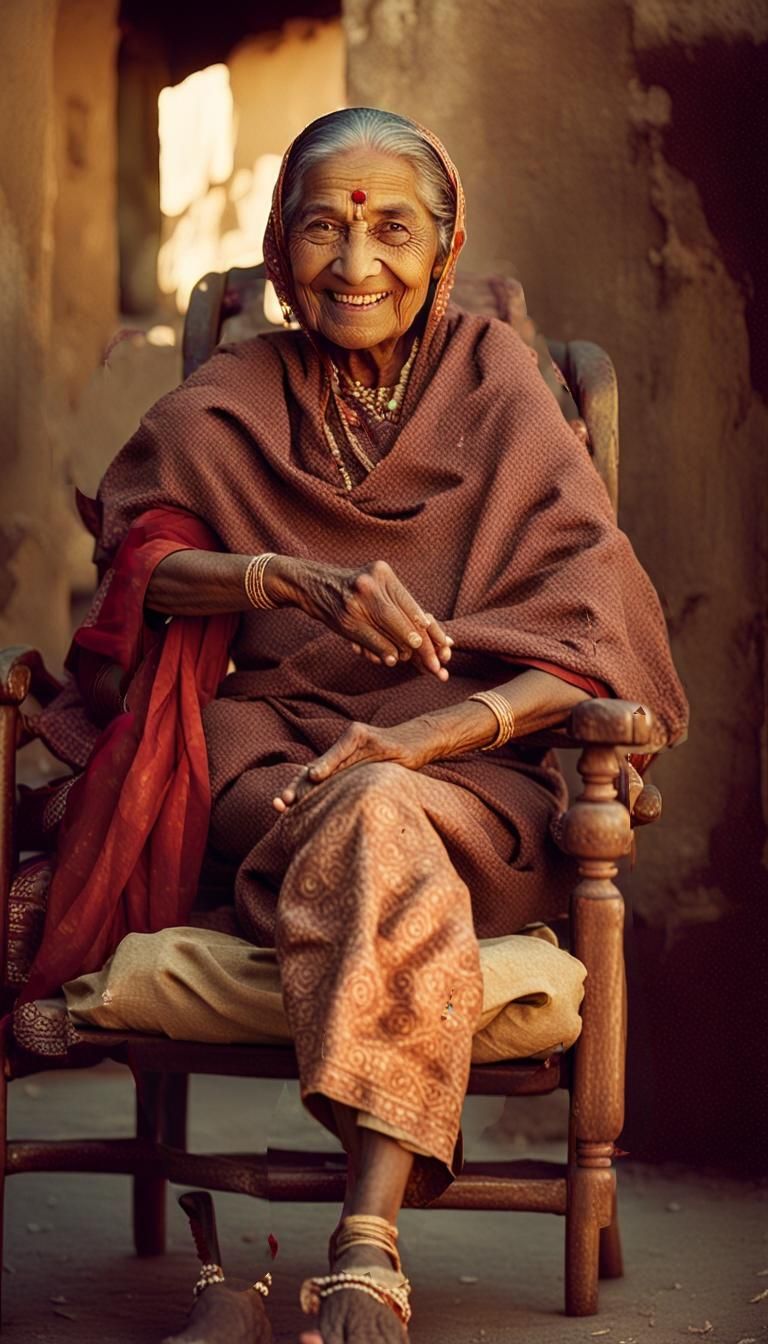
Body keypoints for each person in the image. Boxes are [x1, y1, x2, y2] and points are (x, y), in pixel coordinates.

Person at [16, 109, 687, 1342]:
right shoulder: (231, 397)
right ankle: (368, 1251)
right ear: (281, 248)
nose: (356, 262)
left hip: (474, 774)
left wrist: (424, 740)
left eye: (393, 230)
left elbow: (597, 631)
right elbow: (139, 571)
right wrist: (287, 579)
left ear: (447, 245)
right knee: (355, 804)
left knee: (379, 808)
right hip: (268, 758)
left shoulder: (498, 384)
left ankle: (364, 1234)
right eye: (323, 228)